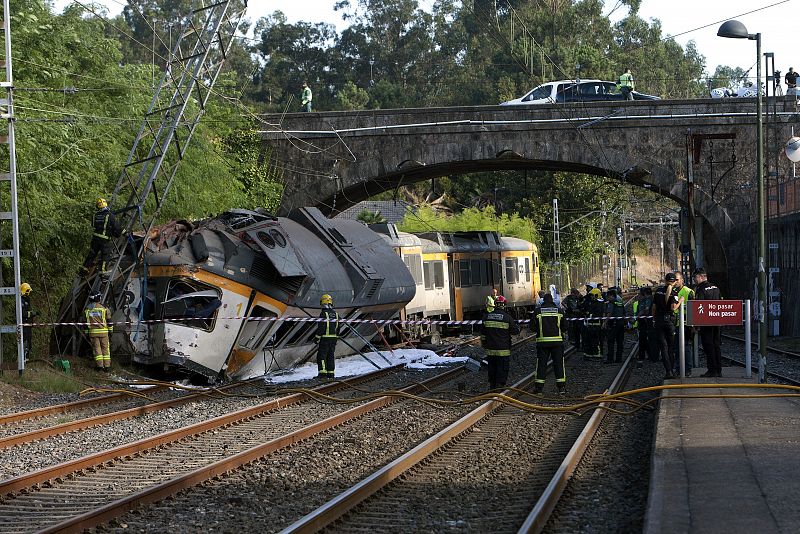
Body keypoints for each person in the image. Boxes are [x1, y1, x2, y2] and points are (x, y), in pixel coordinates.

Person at [481, 295, 520, 390]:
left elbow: (483, 335)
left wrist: (485, 345)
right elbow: (515, 331)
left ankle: (492, 385)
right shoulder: (507, 318)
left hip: (490, 350)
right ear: (504, 305)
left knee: (492, 368)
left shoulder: (487, 317)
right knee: (502, 368)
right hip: (503, 350)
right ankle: (500, 386)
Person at [531, 293, 567, 395]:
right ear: (552, 301)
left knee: (541, 365)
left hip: (542, 344)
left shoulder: (538, 312)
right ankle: (561, 388)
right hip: (557, 343)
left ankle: (539, 388)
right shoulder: (560, 311)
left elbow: (532, 327)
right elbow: (565, 327)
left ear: (543, 301)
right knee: (559, 364)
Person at [693, 268, 723, 377]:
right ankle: (718, 369)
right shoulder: (716, 287)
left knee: (708, 345)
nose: (694, 280)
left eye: (695, 277)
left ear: (701, 276)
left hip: (706, 321)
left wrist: (696, 324)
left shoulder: (701, 289)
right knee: (716, 345)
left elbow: (699, 306)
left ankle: (712, 370)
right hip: (717, 320)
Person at [82, 198, 122, 275]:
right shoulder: (110, 215)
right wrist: (124, 233)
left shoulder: (95, 216)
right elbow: (116, 227)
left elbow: (93, 225)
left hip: (95, 239)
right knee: (105, 255)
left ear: (97, 206)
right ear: (106, 204)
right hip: (104, 240)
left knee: (92, 253)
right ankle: (103, 272)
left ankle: (84, 268)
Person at [653, 273, 681, 379]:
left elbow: (654, 308)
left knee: (663, 347)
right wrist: (681, 301)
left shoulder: (658, 291)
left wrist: (654, 319)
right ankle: (672, 371)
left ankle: (668, 371)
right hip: (669, 322)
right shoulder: (674, 293)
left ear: (665, 281)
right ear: (674, 282)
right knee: (670, 347)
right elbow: (673, 308)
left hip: (659, 321)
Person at [671, 272, 695, 376]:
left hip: (686, 323)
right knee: (676, 347)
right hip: (676, 323)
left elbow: (693, 309)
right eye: (674, 280)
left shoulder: (689, 292)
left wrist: (693, 325)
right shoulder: (672, 291)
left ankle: (688, 369)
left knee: (687, 347)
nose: (675, 282)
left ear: (682, 280)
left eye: (677, 280)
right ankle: (678, 368)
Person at [85, 292, 112, 370]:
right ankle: (107, 366)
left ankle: (99, 366)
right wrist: (110, 332)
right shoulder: (104, 308)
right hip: (104, 332)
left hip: (93, 333)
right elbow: (109, 321)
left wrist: (87, 333)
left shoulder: (87, 309)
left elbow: (86, 323)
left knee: (97, 349)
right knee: (105, 349)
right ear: (98, 298)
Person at [314, 293, 339, 380]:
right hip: (333, 339)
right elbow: (338, 327)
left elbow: (321, 327)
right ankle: (331, 374)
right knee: (330, 356)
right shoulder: (335, 314)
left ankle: (322, 373)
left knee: (322, 356)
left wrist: (317, 338)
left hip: (325, 339)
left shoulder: (323, 314)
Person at [633, 286, 656, 366]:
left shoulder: (648, 300)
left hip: (646, 322)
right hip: (645, 322)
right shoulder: (644, 300)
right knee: (644, 340)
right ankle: (648, 355)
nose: (638, 295)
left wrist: (637, 318)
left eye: (640, 294)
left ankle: (650, 356)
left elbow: (645, 311)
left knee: (646, 339)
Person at [603, 287, 626, 363]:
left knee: (611, 341)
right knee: (620, 341)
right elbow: (624, 312)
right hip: (621, 323)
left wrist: (604, 322)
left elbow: (609, 314)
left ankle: (610, 359)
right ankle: (618, 359)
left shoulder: (611, 303)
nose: (607, 298)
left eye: (608, 296)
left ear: (611, 296)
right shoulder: (620, 301)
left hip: (614, 324)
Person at [582, 288, 604, 360]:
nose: (591, 297)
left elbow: (597, 313)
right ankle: (589, 354)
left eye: (592, 295)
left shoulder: (600, 304)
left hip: (596, 325)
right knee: (588, 340)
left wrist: (590, 314)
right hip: (590, 324)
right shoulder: (591, 302)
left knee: (596, 341)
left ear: (597, 295)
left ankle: (597, 354)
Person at [20, 282, 37, 360]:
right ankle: (23, 358)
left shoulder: (26, 300)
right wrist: (32, 313)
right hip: (24, 325)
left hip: (28, 325)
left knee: (28, 341)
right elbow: (23, 313)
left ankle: (26, 358)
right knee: (25, 341)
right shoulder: (21, 301)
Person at [562, 288, 583, 352]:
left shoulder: (579, 298)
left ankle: (576, 341)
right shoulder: (568, 298)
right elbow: (563, 302)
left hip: (577, 315)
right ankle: (572, 339)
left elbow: (582, 303)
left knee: (577, 329)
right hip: (570, 314)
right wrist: (567, 308)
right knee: (570, 327)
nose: (573, 295)